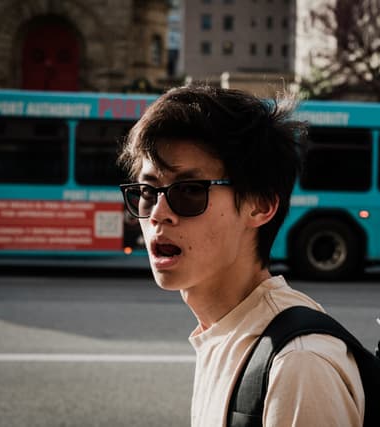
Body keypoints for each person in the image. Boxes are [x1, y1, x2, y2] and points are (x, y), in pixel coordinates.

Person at [118, 85, 364, 427]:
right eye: (147, 192)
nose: (158, 213)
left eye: (189, 191)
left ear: (261, 205)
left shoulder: (297, 365)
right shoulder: (222, 333)